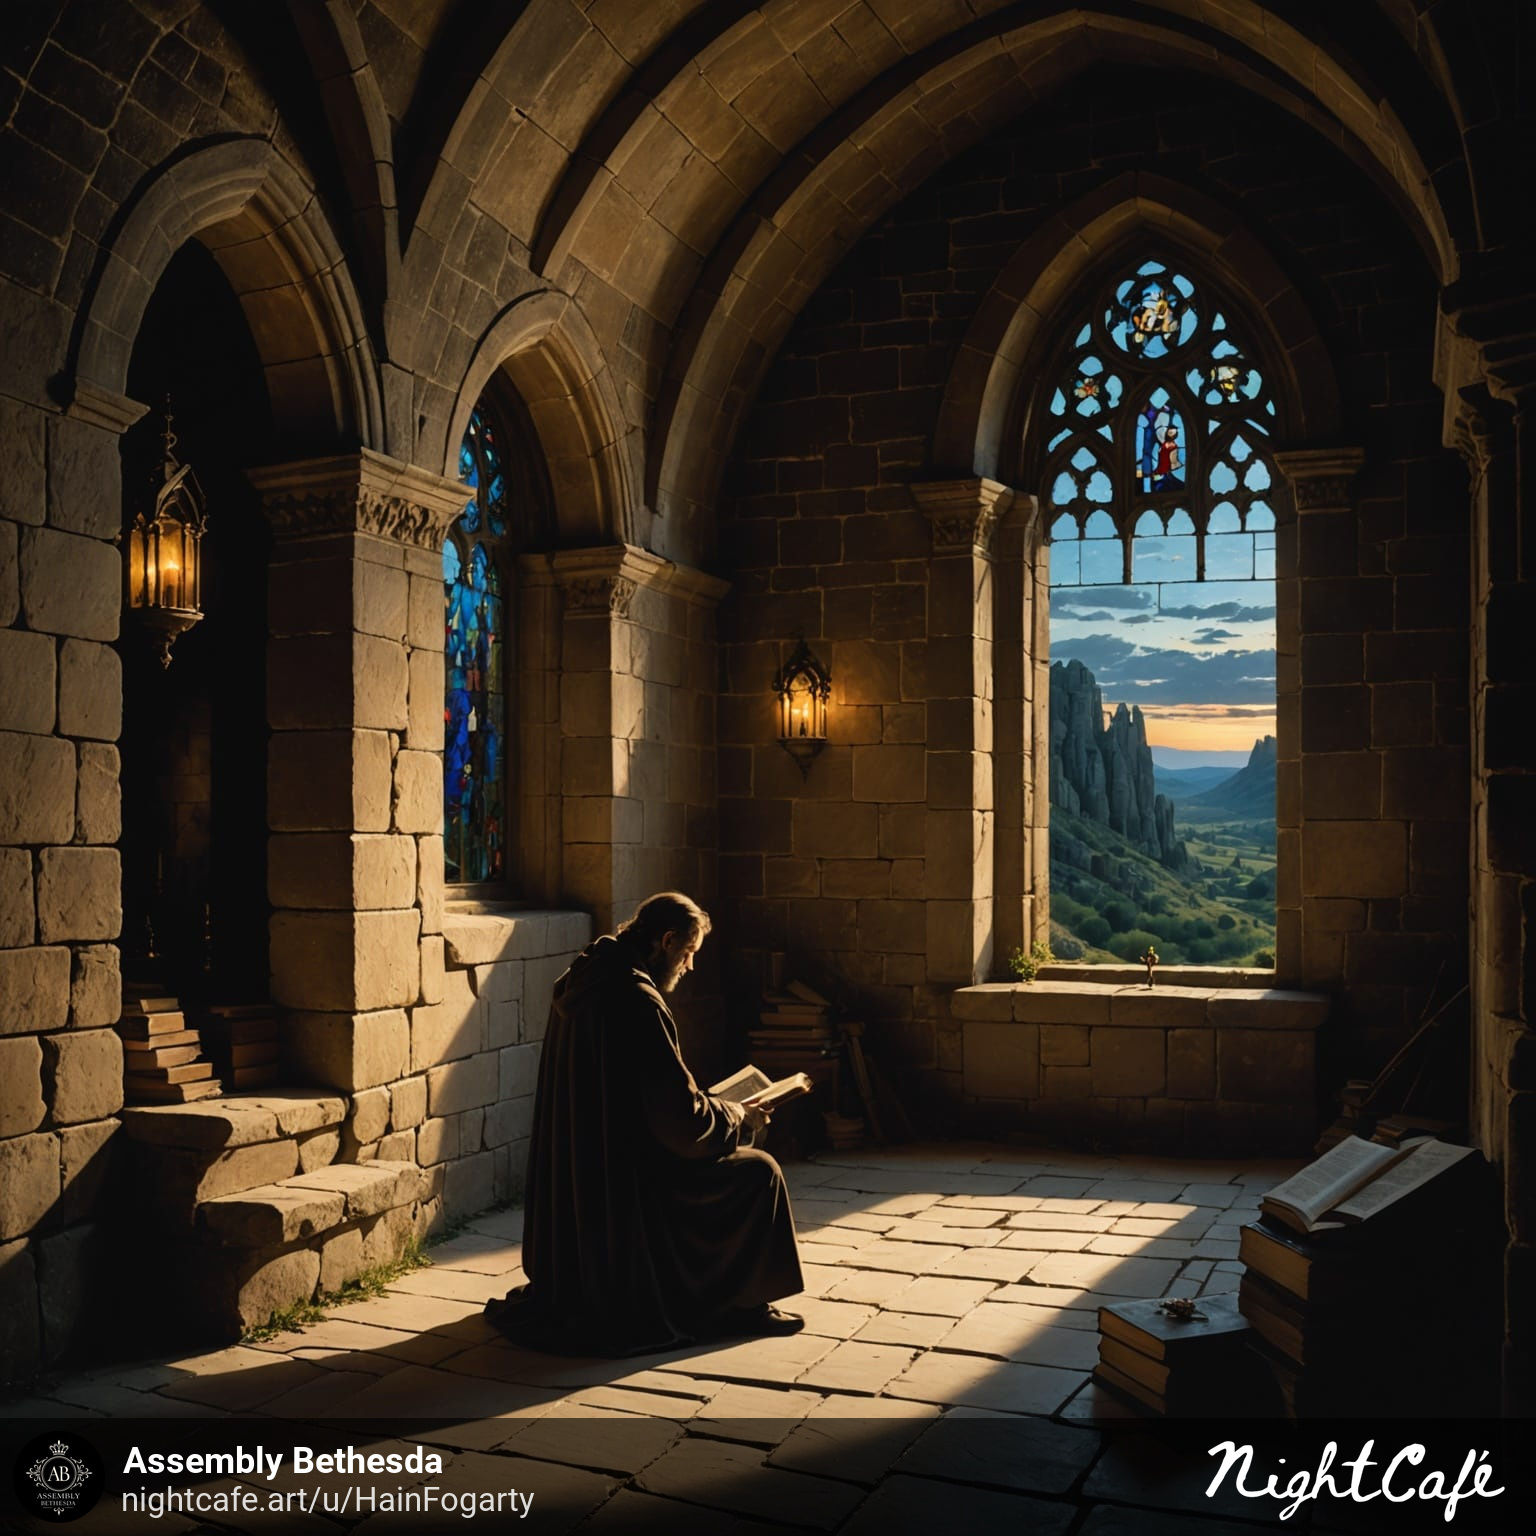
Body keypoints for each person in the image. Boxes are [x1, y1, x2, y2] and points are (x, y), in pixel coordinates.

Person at [486, 892, 805, 1355]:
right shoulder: (636, 999)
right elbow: (680, 1127)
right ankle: (741, 1306)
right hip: (628, 1186)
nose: (689, 967)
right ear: (667, 941)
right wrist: (737, 1114)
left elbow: (646, 1095)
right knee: (760, 1173)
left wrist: (708, 1103)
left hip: (591, 1169)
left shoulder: (589, 976)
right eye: (689, 953)